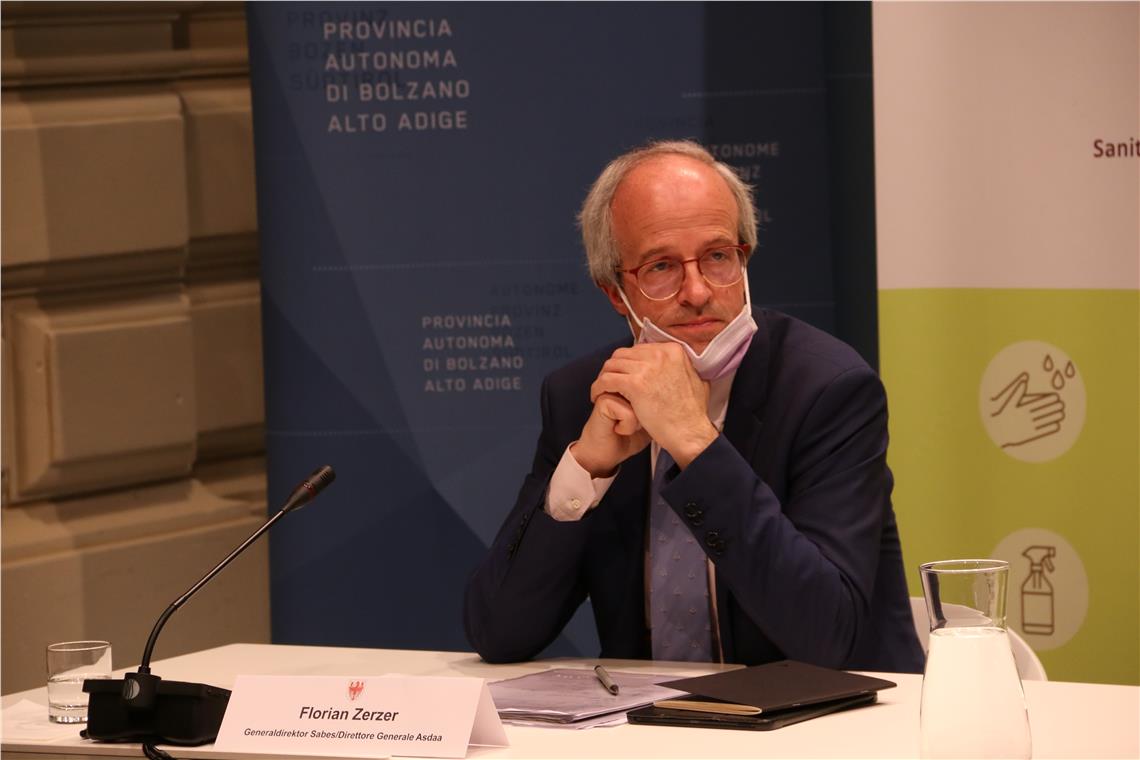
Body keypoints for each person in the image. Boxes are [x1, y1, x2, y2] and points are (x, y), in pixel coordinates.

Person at [463, 140, 924, 673]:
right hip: (654, 719)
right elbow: (499, 632)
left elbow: (827, 635)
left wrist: (694, 443)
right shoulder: (583, 395)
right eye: (661, 266)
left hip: (833, 714)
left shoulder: (827, 390)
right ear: (614, 292)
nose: (699, 291)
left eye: (718, 257)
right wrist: (587, 467)